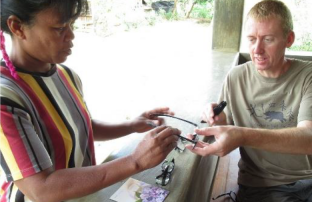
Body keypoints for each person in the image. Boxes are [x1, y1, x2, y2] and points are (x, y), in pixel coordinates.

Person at [0, 1, 180, 202]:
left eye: (71, 25)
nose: (71, 36)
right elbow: (41, 188)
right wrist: (135, 161)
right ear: (17, 27)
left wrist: (132, 125)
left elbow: (82, 128)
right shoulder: (6, 99)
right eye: (60, 28)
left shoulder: (65, 75)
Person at [186, 0, 312, 201]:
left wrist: (241, 135)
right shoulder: (236, 77)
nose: (257, 50)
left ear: (289, 38)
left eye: (268, 39)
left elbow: (310, 139)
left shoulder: (311, 74)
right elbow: (226, 128)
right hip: (261, 184)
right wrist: (218, 119)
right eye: (251, 39)